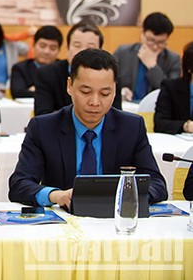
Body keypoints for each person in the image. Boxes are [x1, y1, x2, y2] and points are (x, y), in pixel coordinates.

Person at [8, 49, 167, 208]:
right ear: (70, 86)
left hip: (113, 220)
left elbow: (157, 184)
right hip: (63, 221)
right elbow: (19, 184)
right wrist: (57, 195)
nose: (95, 102)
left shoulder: (131, 127)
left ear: (114, 90)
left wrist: (125, 196)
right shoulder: (43, 128)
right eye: (86, 92)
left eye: (105, 93)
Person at [34, 22, 122, 116]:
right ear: (67, 48)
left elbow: (115, 118)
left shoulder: (110, 77)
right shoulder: (46, 74)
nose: (82, 51)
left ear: (100, 51)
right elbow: (43, 115)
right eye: (77, 45)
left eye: (90, 47)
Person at [114, 12, 181, 103]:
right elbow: (109, 81)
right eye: (151, 40)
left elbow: (171, 92)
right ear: (142, 34)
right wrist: (120, 90)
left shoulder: (173, 60)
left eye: (161, 42)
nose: (155, 47)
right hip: (126, 107)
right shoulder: (123, 53)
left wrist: (152, 66)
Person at [10, 25, 63, 99]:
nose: (46, 51)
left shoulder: (63, 69)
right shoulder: (20, 68)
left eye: (52, 48)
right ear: (34, 45)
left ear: (59, 50)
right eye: (42, 46)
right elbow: (18, 93)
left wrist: (37, 90)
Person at [153, 42, 193, 134]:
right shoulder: (170, 88)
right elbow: (159, 124)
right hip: (178, 144)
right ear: (189, 68)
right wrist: (185, 126)